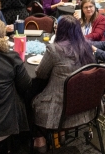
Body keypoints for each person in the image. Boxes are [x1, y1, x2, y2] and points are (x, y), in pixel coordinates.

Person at [32, 15, 97, 148]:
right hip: (83, 104)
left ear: (59, 30)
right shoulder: (87, 47)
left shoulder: (54, 49)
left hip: (59, 108)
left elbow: (40, 74)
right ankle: (61, 133)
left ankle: (39, 137)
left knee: (30, 96)